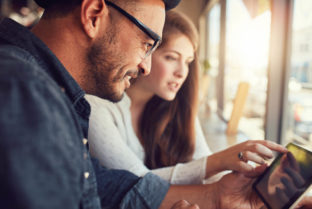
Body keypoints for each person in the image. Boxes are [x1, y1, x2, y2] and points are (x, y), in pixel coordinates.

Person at [0, 0, 308, 209]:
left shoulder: (53, 93)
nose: (146, 66)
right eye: (147, 44)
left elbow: (99, 184)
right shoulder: (27, 94)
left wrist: (216, 195)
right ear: (93, 15)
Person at [86, 10, 287, 185]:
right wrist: (217, 161)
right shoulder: (97, 107)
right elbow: (137, 183)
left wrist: (253, 184)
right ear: (145, 52)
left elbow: (205, 166)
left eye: (188, 61)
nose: (182, 72)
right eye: (171, 58)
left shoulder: (175, 108)